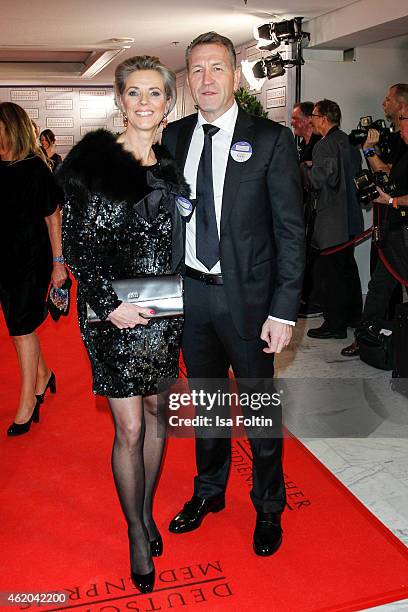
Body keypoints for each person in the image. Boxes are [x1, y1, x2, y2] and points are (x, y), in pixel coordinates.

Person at [162, 32, 304, 556]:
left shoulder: (269, 139)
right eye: (196, 70)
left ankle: (269, 507)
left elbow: (291, 231)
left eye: (217, 68)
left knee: (260, 414)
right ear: (187, 81)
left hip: (249, 301)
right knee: (208, 406)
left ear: (236, 76)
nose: (206, 80)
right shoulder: (174, 138)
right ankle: (209, 493)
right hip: (191, 298)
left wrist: (283, 310)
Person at [59, 56, 189, 594]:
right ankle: (136, 531)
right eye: (133, 93)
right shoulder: (90, 161)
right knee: (130, 428)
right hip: (110, 312)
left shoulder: (172, 163)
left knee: (158, 415)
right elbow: (75, 245)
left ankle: (148, 510)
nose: (143, 103)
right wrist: (108, 304)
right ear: (119, 101)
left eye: (154, 94)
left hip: (162, 309)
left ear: (167, 104)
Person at [0, 102, 67, 436]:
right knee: (17, 324)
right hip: (4, 258)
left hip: (31, 259)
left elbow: (53, 217)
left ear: (10, 127)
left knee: (21, 328)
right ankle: (43, 376)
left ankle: (28, 402)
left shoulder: (34, 167)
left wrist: (58, 264)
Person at [342, 84, 408, 356]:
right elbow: (385, 171)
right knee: (380, 286)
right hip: (391, 230)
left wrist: (391, 201)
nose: (399, 125)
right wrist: (369, 150)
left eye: (403, 119)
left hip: (403, 232)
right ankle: (365, 336)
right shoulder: (403, 149)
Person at [305, 99, 363, 340]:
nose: (312, 120)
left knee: (331, 276)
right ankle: (352, 316)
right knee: (347, 270)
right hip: (351, 219)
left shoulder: (324, 145)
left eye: (314, 115)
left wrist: (306, 169)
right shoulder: (348, 142)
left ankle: (334, 324)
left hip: (332, 222)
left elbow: (320, 180)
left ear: (324, 118)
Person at [291, 101, 322, 318]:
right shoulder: (303, 145)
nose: (292, 123)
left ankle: (314, 301)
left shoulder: (320, 144)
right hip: (303, 209)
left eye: (295, 119)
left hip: (317, 212)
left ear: (306, 120)